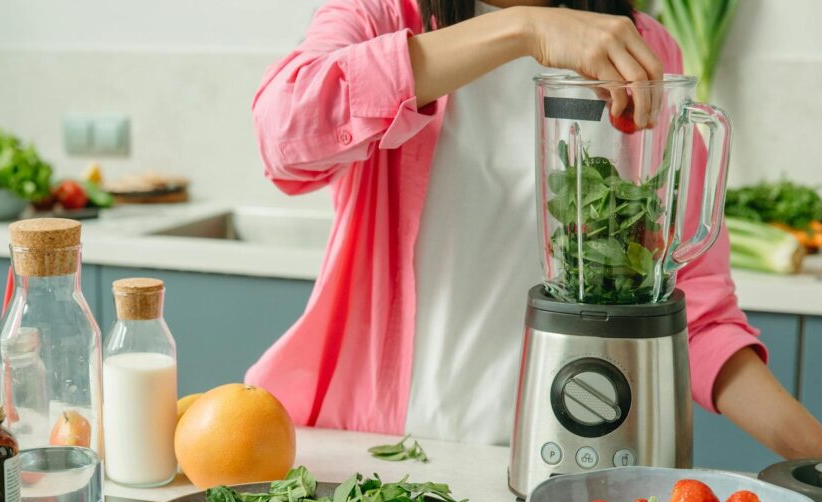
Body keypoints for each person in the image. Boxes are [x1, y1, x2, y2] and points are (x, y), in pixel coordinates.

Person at [247, 0, 822, 459]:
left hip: (575, 467)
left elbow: (690, 309)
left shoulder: (640, 49)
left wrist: (812, 450)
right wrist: (525, 31)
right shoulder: (382, 18)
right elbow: (284, 130)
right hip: (387, 456)